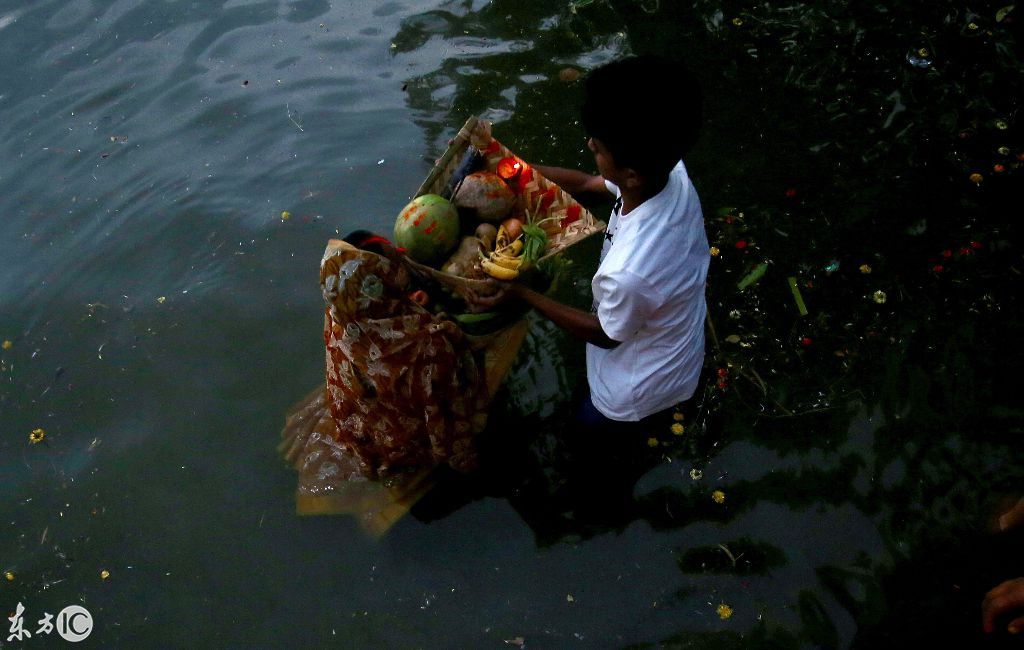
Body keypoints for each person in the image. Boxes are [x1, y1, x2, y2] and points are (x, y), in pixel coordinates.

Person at [467, 55, 708, 436]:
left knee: (585, 443)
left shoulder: (629, 271)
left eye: (598, 148)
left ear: (630, 172)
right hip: (673, 344)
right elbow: (589, 185)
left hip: (634, 396)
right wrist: (506, 172)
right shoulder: (665, 170)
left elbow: (607, 335)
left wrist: (522, 294)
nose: (589, 143)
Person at [281, 230, 488, 487]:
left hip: (369, 432)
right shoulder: (429, 346)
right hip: (411, 443)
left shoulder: (338, 320)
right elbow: (446, 411)